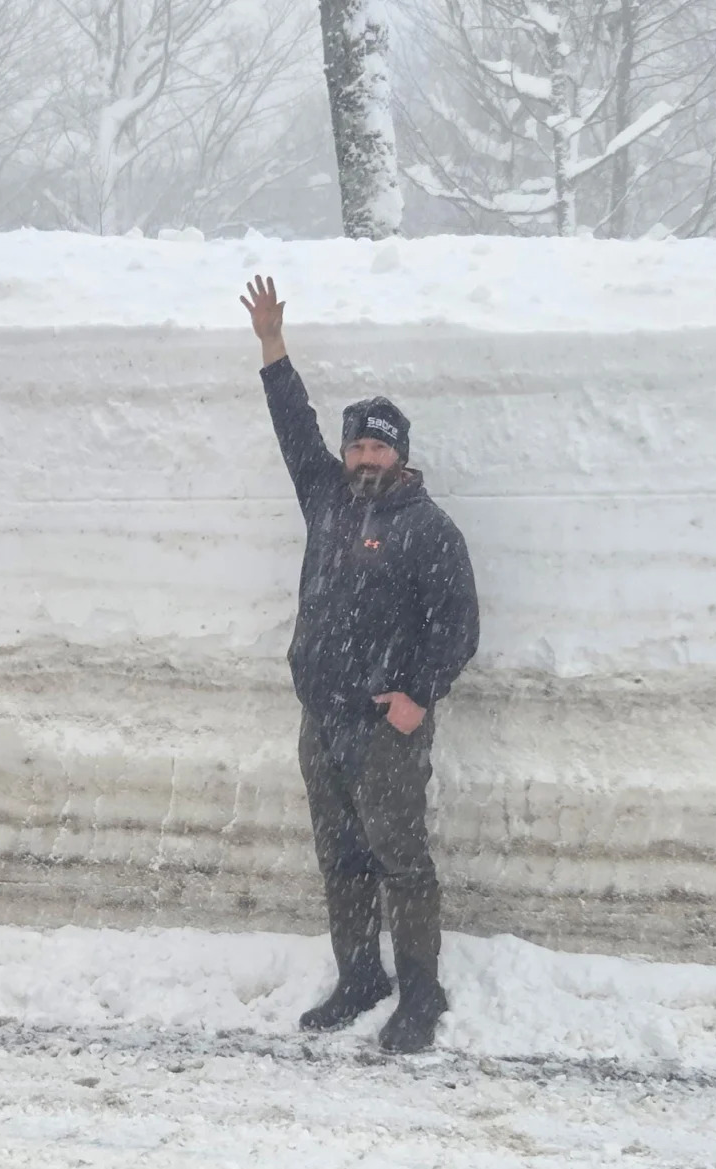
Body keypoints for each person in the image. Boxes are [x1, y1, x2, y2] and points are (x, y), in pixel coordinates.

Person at [241, 276, 480, 1054]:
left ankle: (420, 990)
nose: (364, 456)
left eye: (377, 445)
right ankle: (359, 978)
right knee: (339, 855)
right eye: (356, 445)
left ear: (399, 454)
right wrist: (273, 346)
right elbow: (291, 426)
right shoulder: (328, 498)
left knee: (401, 859)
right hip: (324, 717)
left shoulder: (431, 530)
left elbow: (459, 627)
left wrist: (419, 695)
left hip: (387, 721)